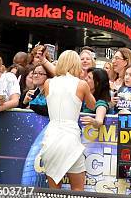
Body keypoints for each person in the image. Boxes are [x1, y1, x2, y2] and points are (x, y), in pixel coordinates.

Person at [38, 50, 95, 190]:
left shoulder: (48, 83)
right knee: (77, 190)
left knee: (54, 192)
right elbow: (92, 105)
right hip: (70, 139)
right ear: (76, 64)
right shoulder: (82, 85)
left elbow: (59, 78)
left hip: (50, 138)